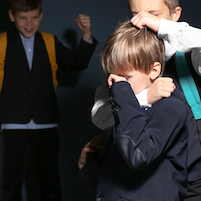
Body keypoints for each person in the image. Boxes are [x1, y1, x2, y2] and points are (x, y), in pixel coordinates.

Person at [91, 0, 201, 200]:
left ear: (175, 14)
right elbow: (101, 117)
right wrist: (143, 98)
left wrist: (163, 28)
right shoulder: (124, 59)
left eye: (152, 14)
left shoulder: (188, 55)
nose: (144, 22)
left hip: (191, 171)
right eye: (136, 14)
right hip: (142, 175)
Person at [0, 0, 97, 200]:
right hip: (13, 124)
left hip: (46, 123)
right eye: (23, 18)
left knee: (50, 184)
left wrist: (86, 35)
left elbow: (77, 62)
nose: (29, 23)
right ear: (11, 16)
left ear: (41, 15)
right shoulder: (2, 43)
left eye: (34, 17)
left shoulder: (50, 42)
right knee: (11, 185)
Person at [80, 21, 188, 200]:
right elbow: (115, 180)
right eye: (111, 76)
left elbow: (138, 154)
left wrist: (122, 93)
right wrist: (86, 167)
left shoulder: (171, 109)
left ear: (154, 71)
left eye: (124, 77)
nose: (113, 83)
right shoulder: (125, 108)